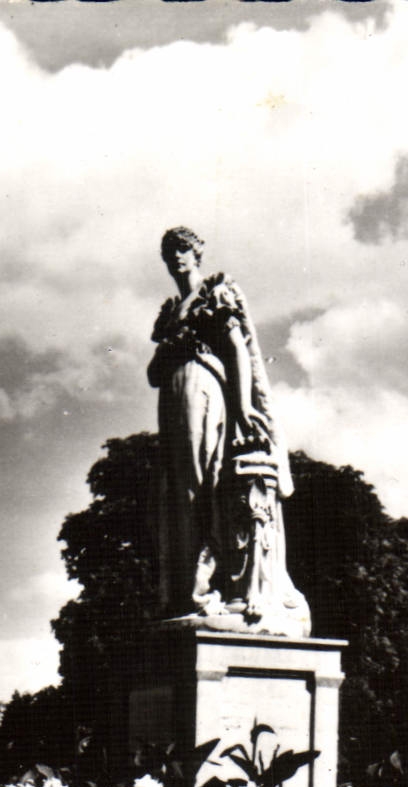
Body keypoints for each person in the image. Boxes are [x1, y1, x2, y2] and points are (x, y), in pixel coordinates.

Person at [147, 226, 309, 634]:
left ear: (197, 253)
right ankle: (187, 591)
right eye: (170, 252)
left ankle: (206, 590)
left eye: (183, 249)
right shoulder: (170, 311)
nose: (176, 258)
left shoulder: (213, 293)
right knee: (176, 494)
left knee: (200, 488)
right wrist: (171, 350)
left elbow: (237, 348)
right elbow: (152, 373)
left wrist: (241, 406)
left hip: (203, 390)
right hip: (171, 397)